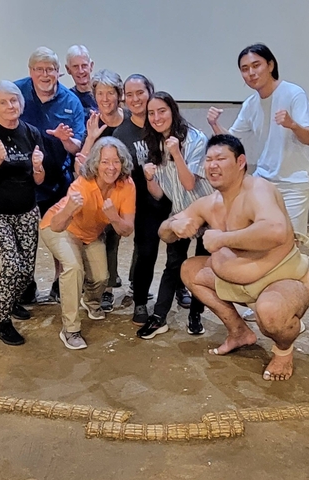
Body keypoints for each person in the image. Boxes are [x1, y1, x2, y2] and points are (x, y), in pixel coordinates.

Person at [167, 134, 309, 382]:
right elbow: (165, 230)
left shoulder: (258, 189)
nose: (212, 165)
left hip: (282, 279)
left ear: (240, 162)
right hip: (236, 283)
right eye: (208, 159)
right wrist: (174, 225)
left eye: (220, 158)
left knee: (270, 313)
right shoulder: (208, 203)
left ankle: (283, 351)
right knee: (190, 270)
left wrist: (223, 239)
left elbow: (275, 231)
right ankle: (238, 332)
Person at [207, 43, 309, 235]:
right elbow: (231, 140)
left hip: (294, 184)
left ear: (271, 65)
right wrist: (214, 124)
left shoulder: (293, 93)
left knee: (292, 241)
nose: (251, 73)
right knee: (259, 238)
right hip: (263, 181)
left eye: (256, 65)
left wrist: (292, 124)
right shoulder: (251, 104)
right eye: (245, 69)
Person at [0, 80, 50, 345]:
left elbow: (38, 180)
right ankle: (3, 322)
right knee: (13, 264)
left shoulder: (32, 132)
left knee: (26, 270)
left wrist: (38, 167)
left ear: (21, 103)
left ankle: (10, 299)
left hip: (26, 210)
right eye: (3, 102)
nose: (10, 106)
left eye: (14, 100)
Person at [39, 137, 136, 350]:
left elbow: (126, 230)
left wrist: (114, 217)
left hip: (91, 234)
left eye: (116, 161)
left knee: (102, 277)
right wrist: (67, 210)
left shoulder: (127, 185)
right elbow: (56, 225)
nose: (111, 167)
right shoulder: (81, 185)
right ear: (95, 164)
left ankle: (91, 302)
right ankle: (70, 329)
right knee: (74, 269)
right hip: (60, 229)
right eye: (105, 162)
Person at [135, 91, 213, 340]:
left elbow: (190, 184)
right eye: (151, 113)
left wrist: (177, 153)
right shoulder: (152, 142)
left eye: (162, 111)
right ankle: (159, 317)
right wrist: (148, 177)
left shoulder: (196, 138)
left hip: (207, 211)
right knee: (173, 264)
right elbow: (158, 193)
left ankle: (196, 314)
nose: (157, 117)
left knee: (202, 265)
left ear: (173, 111)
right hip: (179, 211)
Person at [15, 47, 87, 303]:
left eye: (50, 69)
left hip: (58, 181)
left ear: (59, 72)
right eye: (40, 69)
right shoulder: (16, 93)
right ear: (31, 71)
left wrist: (66, 140)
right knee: (25, 237)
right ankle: (25, 284)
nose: (45, 75)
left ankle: (59, 282)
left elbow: (77, 146)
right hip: (22, 181)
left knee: (59, 232)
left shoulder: (70, 101)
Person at [112, 74, 173, 327]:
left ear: (150, 92)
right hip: (144, 202)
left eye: (140, 92)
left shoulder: (161, 121)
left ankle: (178, 288)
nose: (135, 99)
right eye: (130, 94)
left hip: (173, 197)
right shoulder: (121, 131)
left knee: (176, 251)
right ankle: (139, 300)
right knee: (146, 251)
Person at [79, 69, 128, 311]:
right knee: (98, 238)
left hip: (126, 193)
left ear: (120, 95)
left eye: (110, 93)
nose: (105, 98)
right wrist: (91, 137)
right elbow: (82, 163)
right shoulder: (92, 121)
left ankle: (111, 285)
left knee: (116, 238)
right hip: (96, 193)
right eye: (100, 93)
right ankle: (100, 286)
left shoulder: (131, 119)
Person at [65, 44, 98, 112]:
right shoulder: (67, 98)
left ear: (91, 66)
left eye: (84, 65)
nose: (81, 71)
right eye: (75, 66)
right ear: (68, 69)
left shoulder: (102, 93)